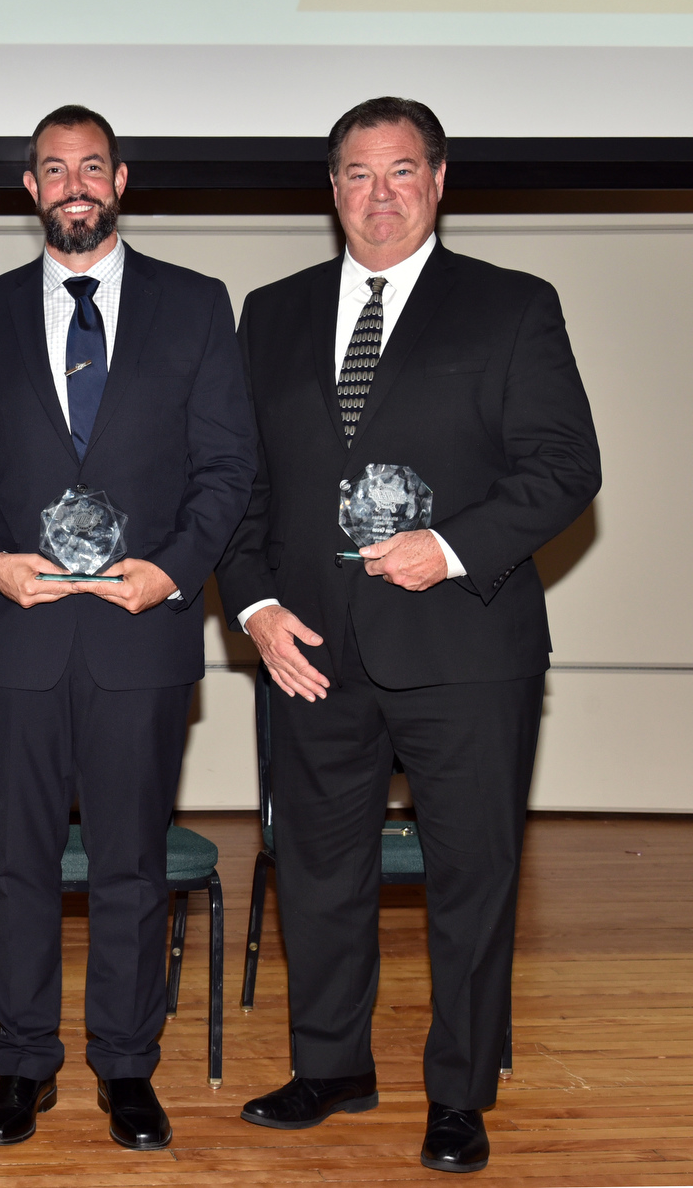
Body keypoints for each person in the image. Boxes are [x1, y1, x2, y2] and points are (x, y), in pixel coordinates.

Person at [215, 97, 600, 1175]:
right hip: (312, 651)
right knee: (320, 872)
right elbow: (238, 486)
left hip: (465, 648)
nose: (377, 195)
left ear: (438, 179)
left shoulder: (513, 307)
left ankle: (460, 1089)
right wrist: (251, 607)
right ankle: (330, 1063)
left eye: (398, 173)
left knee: (473, 877)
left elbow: (566, 467)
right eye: (354, 174)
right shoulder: (272, 313)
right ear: (329, 188)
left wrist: (456, 545)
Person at [0, 105, 256, 1152]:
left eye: (91, 166)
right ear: (30, 189)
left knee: (131, 861)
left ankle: (126, 1065)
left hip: (141, 633)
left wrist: (171, 573)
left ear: (120, 178)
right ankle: (24, 1060)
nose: (73, 184)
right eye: (52, 169)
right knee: (18, 862)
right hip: (20, 636)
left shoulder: (197, 305)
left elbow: (226, 468)